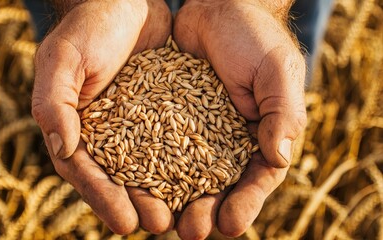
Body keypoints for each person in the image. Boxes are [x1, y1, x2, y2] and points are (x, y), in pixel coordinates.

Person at [29, 0, 332, 239]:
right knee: (71, 67)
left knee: (279, 61)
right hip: (108, 49)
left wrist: (262, 7)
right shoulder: (123, 121)